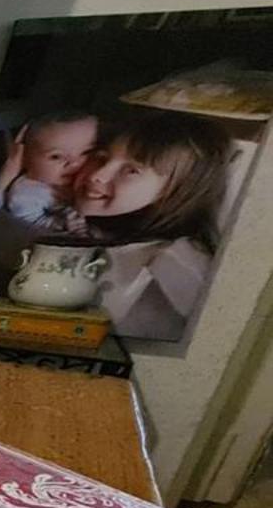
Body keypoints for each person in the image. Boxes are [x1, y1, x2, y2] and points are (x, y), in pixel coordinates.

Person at [69, 110, 232, 342]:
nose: (98, 174)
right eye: (102, 158)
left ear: (176, 190)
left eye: (131, 170)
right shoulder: (83, 220)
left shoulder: (176, 262)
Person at [0, 112, 99, 229]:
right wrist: (59, 224)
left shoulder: (84, 178)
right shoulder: (28, 191)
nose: (74, 163)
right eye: (56, 156)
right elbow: (28, 222)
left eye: (86, 152)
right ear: (25, 159)